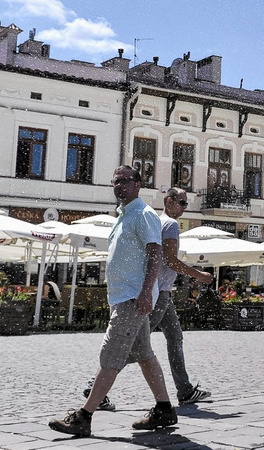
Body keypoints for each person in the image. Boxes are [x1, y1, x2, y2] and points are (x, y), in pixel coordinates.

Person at [49, 166, 177, 437]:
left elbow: (155, 255)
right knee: (144, 354)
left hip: (133, 298)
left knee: (110, 355)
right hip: (125, 297)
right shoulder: (123, 216)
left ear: (138, 184)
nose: (118, 186)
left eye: (124, 181)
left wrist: (145, 292)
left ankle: (84, 416)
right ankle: (164, 409)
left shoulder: (143, 215)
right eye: (115, 182)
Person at [150, 187, 214, 404]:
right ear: (169, 201)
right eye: (182, 203)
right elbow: (171, 261)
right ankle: (97, 387)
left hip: (162, 292)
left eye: (186, 203)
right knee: (135, 341)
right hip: (158, 293)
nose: (185, 208)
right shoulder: (170, 224)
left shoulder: (156, 222)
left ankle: (185, 390)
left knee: (175, 337)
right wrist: (199, 275)